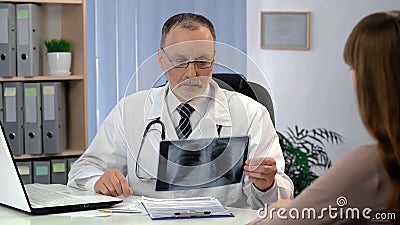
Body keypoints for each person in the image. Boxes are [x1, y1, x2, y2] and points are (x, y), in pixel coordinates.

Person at [68, 12, 293, 209]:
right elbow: (83, 170)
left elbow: (283, 195)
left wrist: (268, 184)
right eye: (180, 62)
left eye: (202, 62)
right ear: (161, 60)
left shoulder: (252, 114)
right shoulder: (130, 110)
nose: (191, 74)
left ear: (214, 61)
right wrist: (98, 180)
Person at [248, 11, 400, 224]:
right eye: (182, 61)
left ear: (373, 84)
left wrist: (279, 209)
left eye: (353, 68)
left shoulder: (375, 164)